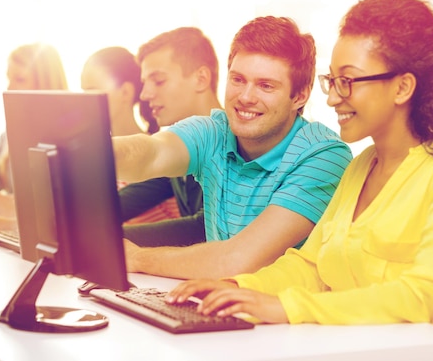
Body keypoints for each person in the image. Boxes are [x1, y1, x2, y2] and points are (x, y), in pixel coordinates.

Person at [167, 0, 433, 361]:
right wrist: (233, 287)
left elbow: (421, 298)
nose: (333, 99)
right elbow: (310, 265)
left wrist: (287, 308)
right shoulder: (361, 167)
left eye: (349, 81)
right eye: (333, 81)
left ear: (403, 88)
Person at [114, 16, 352, 280]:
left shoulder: (323, 155)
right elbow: (149, 153)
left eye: (265, 85)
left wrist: (135, 257)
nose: (246, 97)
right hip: (224, 305)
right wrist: (90, 152)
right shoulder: (214, 131)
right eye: (238, 80)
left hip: (289, 317)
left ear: (299, 96)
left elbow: (237, 260)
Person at [117, 27, 222, 242]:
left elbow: (203, 229)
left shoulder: (233, 143)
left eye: (159, 81)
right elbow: (125, 201)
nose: (145, 94)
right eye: (145, 83)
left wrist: (107, 239)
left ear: (201, 79)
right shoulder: (177, 146)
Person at [0, 43, 68, 233]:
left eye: (20, 79)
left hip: (43, 236)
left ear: (44, 83)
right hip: (14, 233)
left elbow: (67, 206)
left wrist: (13, 204)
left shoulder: (70, 136)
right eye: (9, 79)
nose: (9, 88)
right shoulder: (10, 133)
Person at [80, 45, 181, 223]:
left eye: (91, 91)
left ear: (125, 92)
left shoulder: (159, 156)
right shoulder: (97, 162)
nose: (83, 101)